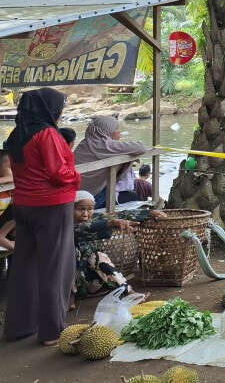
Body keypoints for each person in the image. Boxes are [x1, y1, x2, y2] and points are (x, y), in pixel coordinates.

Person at [2, 87, 80, 345]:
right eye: (59, 108)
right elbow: (59, 174)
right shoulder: (47, 134)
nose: (60, 113)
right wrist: (77, 177)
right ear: (49, 109)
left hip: (23, 206)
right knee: (54, 269)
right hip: (51, 206)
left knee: (25, 267)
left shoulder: (15, 135)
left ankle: (19, 327)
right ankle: (52, 331)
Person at [71, 190, 162, 297]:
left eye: (90, 209)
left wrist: (148, 213)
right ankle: (129, 293)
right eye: (80, 209)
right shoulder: (68, 226)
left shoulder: (95, 218)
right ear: (71, 209)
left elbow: (119, 214)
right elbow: (85, 228)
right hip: (74, 284)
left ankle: (127, 291)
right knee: (90, 255)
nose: (85, 214)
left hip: (92, 283)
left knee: (97, 257)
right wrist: (112, 223)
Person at [74, 116, 147, 206]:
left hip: (74, 194)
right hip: (88, 198)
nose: (119, 131)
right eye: (116, 128)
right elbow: (141, 147)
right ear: (107, 130)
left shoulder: (84, 144)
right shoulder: (104, 145)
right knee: (133, 196)